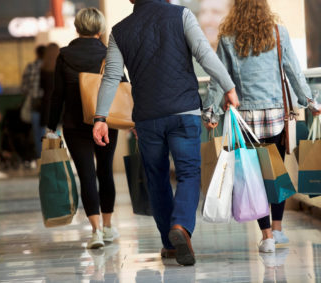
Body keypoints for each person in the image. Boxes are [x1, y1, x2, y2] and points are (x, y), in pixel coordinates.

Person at [92, 0, 238, 266]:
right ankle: (181, 225)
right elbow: (204, 54)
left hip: (147, 119)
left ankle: (170, 245)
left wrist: (100, 118)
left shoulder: (119, 31)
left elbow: (112, 76)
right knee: (189, 173)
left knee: (156, 178)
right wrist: (228, 87)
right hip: (184, 111)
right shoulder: (181, 15)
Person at [204, 0, 321, 253]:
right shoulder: (279, 33)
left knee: (252, 178)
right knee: (275, 172)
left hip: (245, 118)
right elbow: (293, 71)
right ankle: (278, 229)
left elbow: (218, 78)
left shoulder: (227, 38)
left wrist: (211, 111)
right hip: (275, 116)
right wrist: (310, 102)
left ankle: (266, 235)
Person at [48, 8, 122, 249]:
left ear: (77, 28)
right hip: (106, 121)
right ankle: (109, 226)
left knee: (87, 176)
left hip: (74, 124)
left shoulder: (64, 55)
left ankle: (96, 231)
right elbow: (122, 86)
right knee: (105, 172)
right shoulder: (109, 53)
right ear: (99, 30)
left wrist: (51, 126)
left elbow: (57, 95)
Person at [20, 45, 45, 159]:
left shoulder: (30, 67)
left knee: (37, 133)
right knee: (51, 132)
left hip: (35, 103)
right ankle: (53, 157)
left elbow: (24, 88)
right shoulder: (51, 66)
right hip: (49, 103)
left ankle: (41, 158)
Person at [40, 43, 59, 128]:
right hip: (61, 107)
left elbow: (41, 87)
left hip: (47, 106)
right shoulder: (62, 68)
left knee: (50, 138)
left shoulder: (43, 70)